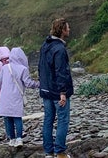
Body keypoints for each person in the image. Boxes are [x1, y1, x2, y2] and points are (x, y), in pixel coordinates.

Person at [38, 18, 73, 158]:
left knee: (48, 119)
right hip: (57, 92)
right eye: (68, 28)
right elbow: (61, 72)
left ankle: (48, 151)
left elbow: (40, 68)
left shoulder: (44, 46)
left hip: (46, 90)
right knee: (63, 119)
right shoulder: (59, 49)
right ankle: (60, 151)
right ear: (63, 30)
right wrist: (63, 92)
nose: (69, 30)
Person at [0, 47, 39, 147]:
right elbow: (28, 83)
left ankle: (12, 139)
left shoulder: (4, 68)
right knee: (17, 117)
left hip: (5, 97)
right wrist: (38, 84)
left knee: (8, 118)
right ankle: (19, 139)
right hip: (16, 96)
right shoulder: (23, 69)